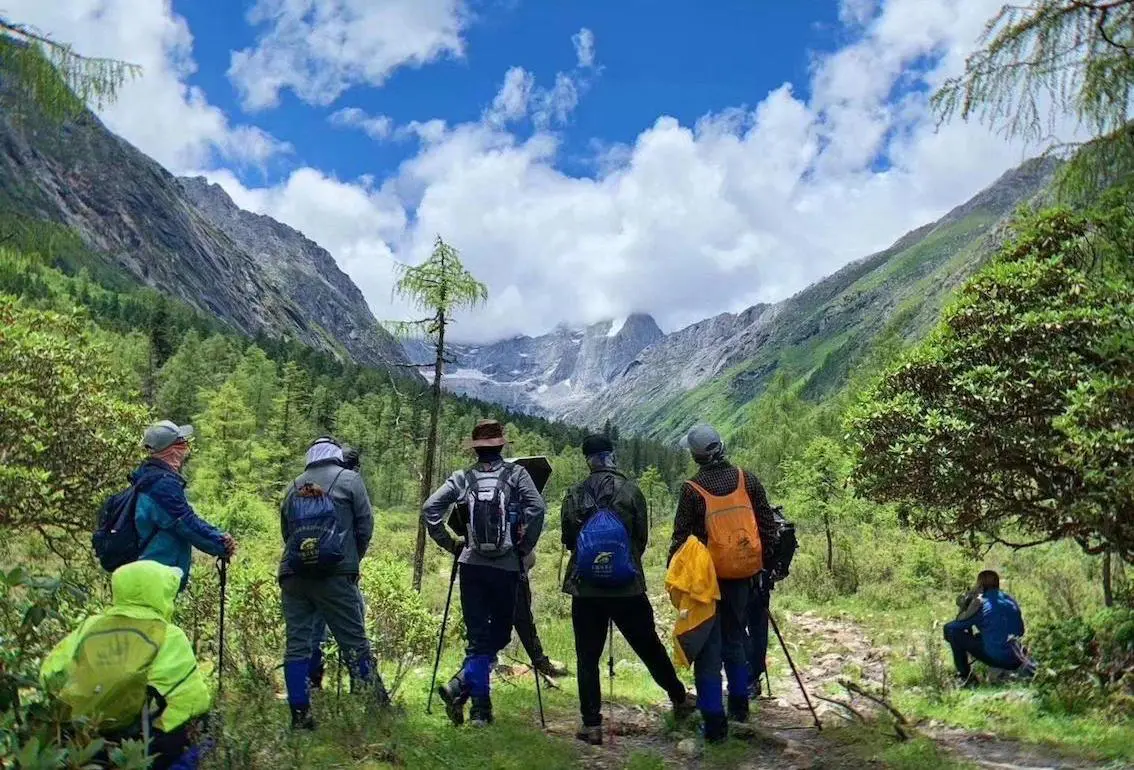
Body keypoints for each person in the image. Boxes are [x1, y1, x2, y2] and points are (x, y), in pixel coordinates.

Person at [562, 434, 693, 745]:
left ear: (587, 459)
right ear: (611, 456)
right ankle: (679, 699)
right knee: (648, 645)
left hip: (586, 590)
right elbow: (641, 540)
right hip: (627, 588)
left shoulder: (574, 494)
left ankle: (592, 725)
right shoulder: (631, 491)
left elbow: (568, 539)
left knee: (587, 657)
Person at [424, 419, 546, 728]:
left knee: (478, 639)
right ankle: (469, 696)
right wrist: (523, 546)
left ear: (476, 448)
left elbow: (430, 510)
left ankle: (472, 701)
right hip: (505, 566)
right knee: (500, 634)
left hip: (471, 567)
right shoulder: (517, 474)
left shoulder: (462, 477)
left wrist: (452, 545)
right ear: (502, 445)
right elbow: (537, 509)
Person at [41, 561, 213, 770]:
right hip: (133, 739)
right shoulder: (168, 634)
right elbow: (192, 701)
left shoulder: (91, 624)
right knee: (207, 727)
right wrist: (161, 735)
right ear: (162, 594)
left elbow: (49, 674)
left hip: (80, 734)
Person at [669, 424, 778, 743]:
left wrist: (675, 577)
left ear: (695, 455)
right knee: (735, 642)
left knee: (707, 652)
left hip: (706, 582)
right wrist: (763, 567)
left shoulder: (692, 489)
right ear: (722, 446)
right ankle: (740, 711)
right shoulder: (747, 479)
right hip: (743, 576)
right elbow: (767, 525)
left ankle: (715, 727)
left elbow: (680, 538)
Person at [279, 436, 383, 730]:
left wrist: (305, 558)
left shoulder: (293, 485)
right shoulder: (349, 479)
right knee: (354, 642)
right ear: (336, 454)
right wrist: (351, 562)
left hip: (294, 576)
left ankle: (300, 716)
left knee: (297, 645)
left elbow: (287, 533)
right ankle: (376, 706)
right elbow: (365, 526)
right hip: (335, 576)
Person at [132, 420, 236, 593]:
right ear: (173, 450)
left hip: (141, 571)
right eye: (183, 443)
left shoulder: (146, 478)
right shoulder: (162, 484)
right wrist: (221, 543)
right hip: (154, 577)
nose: (186, 449)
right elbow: (186, 523)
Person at [307, 445, 362, 691]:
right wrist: (353, 562)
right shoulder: (349, 485)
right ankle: (363, 687)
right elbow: (364, 528)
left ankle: (312, 681)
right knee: (354, 626)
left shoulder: (309, 484)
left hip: (307, 568)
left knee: (314, 628)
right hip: (339, 571)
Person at [944, 570, 1026, 684]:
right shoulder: (1009, 600)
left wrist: (965, 607)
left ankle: (965, 677)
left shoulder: (980, 603)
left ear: (980, 585)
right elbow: (1021, 630)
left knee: (951, 631)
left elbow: (955, 625)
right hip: (1017, 656)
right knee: (981, 636)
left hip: (999, 657)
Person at [513, 548, 570, 679]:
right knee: (523, 623)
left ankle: (540, 662)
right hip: (514, 574)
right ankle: (540, 663)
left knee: (523, 623)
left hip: (515, 572)